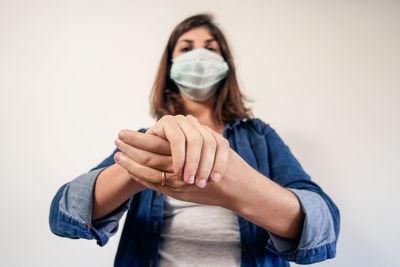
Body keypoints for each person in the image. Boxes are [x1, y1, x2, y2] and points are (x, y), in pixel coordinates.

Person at [49, 14, 340, 267]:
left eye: (210, 49)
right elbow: (65, 212)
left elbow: (323, 224)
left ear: (225, 64)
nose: (199, 57)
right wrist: (143, 164)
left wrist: (241, 188)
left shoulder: (259, 136)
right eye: (186, 48)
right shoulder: (147, 140)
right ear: (172, 64)